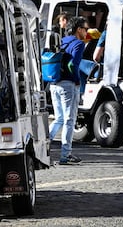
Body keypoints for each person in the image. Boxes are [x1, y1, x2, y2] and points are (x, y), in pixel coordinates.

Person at [49, 16, 87, 165]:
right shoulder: (78, 44)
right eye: (85, 28)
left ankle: (45, 143)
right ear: (79, 29)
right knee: (69, 120)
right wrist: (78, 82)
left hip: (54, 83)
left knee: (59, 118)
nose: (87, 31)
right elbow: (73, 65)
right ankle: (66, 155)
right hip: (68, 85)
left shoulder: (62, 41)